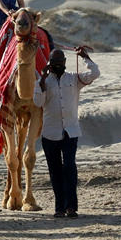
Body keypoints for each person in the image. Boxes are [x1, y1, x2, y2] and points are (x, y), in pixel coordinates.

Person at [33, 47, 100, 219]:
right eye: (54, 63)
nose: (57, 66)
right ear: (49, 64)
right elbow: (38, 102)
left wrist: (85, 57)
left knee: (69, 167)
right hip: (50, 133)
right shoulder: (43, 82)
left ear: (64, 62)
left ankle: (71, 207)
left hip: (70, 131)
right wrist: (41, 82)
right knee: (55, 171)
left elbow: (94, 73)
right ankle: (59, 208)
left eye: (60, 62)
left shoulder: (73, 79)